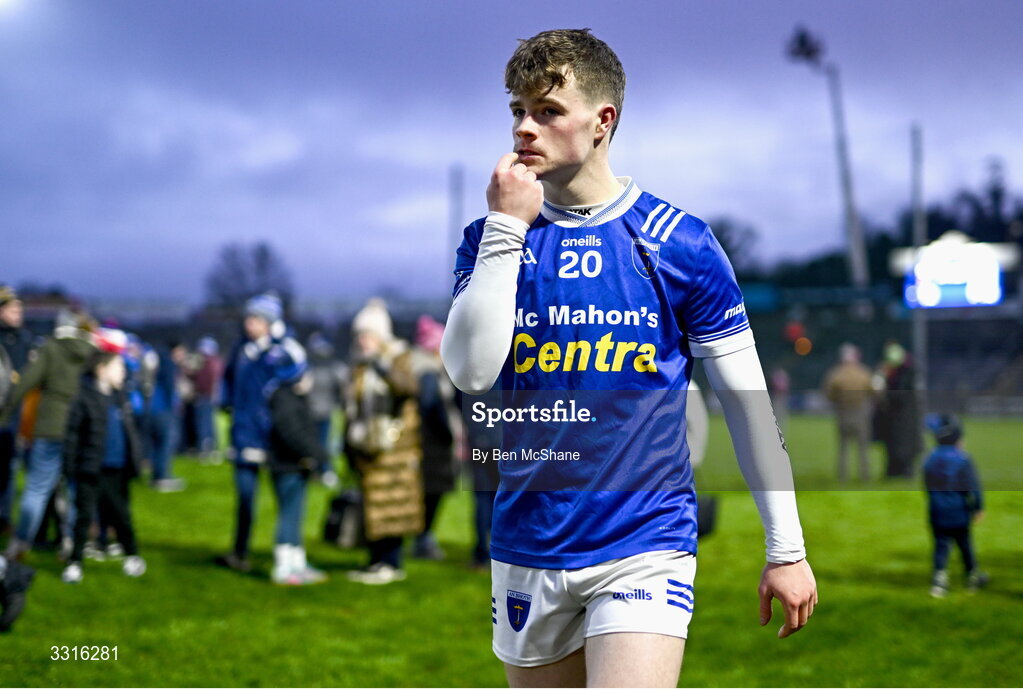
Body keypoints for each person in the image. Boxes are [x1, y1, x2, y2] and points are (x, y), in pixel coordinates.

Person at [440, 29, 816, 687]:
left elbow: (746, 403)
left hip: (643, 542)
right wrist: (505, 229)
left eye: (547, 111)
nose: (524, 129)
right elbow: (470, 374)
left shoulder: (681, 243)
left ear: (601, 121)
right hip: (528, 540)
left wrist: (785, 549)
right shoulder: (490, 239)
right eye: (516, 112)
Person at [217, 292, 306, 573]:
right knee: (244, 499)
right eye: (248, 318)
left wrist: (279, 343)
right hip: (244, 435)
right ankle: (240, 551)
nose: (249, 324)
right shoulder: (241, 350)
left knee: (287, 500)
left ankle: (290, 553)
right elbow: (229, 384)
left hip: (273, 438)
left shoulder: (283, 350)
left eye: (256, 319)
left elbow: (298, 372)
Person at [1, 309, 96, 561]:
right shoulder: (91, 351)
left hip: (50, 426)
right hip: (81, 428)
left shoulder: (51, 348)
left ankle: (21, 542)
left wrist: (5, 413)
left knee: (37, 489)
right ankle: (72, 542)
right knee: (75, 490)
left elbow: (25, 382)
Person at [344, 299, 424, 585]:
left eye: (367, 335)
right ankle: (375, 561)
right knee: (372, 505)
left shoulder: (397, 357)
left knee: (394, 505)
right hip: (366, 443)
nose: (362, 341)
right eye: (359, 336)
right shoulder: (358, 365)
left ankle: (391, 562)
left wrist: (381, 364)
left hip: (395, 445)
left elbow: (408, 389)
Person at [60, 346, 146, 584]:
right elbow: (72, 436)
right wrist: (69, 467)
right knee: (84, 517)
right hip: (91, 469)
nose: (122, 373)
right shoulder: (84, 398)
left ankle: (132, 556)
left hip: (117, 468)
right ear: (101, 370)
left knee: (121, 515)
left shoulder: (121, 399)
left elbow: (131, 432)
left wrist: (135, 459)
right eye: (118, 367)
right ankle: (75, 562)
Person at [267, 371, 329, 585]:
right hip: (287, 465)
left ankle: (297, 563)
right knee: (288, 514)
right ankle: (284, 567)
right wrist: (315, 454)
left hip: (295, 464)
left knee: (296, 514)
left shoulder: (291, 399)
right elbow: (293, 434)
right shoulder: (286, 401)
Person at [922, 413, 988, 598]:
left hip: (937, 511)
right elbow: (972, 486)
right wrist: (978, 507)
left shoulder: (930, 459)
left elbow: (927, 485)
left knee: (941, 546)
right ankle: (972, 577)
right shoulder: (963, 459)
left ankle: (939, 581)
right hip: (959, 512)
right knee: (965, 545)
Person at [410, 315, 458, 561]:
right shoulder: (429, 371)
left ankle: (422, 537)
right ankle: (423, 539)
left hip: (426, 441)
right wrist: (449, 433)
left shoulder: (423, 366)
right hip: (433, 443)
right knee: (431, 493)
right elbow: (433, 407)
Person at [0, 286, 35, 536]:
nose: (18, 313)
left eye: (19, 309)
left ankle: (3, 518)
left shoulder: (24, 338)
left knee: (9, 470)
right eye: (13, 309)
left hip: (14, 414)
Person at [823, 343, 876, 483]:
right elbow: (873, 391)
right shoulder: (864, 373)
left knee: (843, 448)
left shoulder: (835, 374)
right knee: (863, 448)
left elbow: (829, 394)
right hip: (860, 414)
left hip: (843, 413)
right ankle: (865, 476)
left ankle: (842, 477)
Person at [305, 332, 347, 487]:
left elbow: (341, 388)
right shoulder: (309, 367)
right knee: (312, 444)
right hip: (310, 413)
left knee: (324, 444)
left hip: (325, 412)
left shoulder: (333, 368)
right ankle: (314, 471)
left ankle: (325, 470)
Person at [876, 340, 922, 478]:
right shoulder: (905, 372)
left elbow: (898, 395)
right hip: (896, 421)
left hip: (903, 420)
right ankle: (895, 472)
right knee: (895, 448)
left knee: (904, 449)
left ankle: (904, 472)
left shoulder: (905, 374)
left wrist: (884, 388)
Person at [191, 336, 223, 462]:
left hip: (206, 396)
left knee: (205, 424)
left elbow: (208, 381)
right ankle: (210, 447)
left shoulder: (208, 363)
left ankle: (206, 448)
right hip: (208, 396)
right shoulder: (212, 362)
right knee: (208, 423)